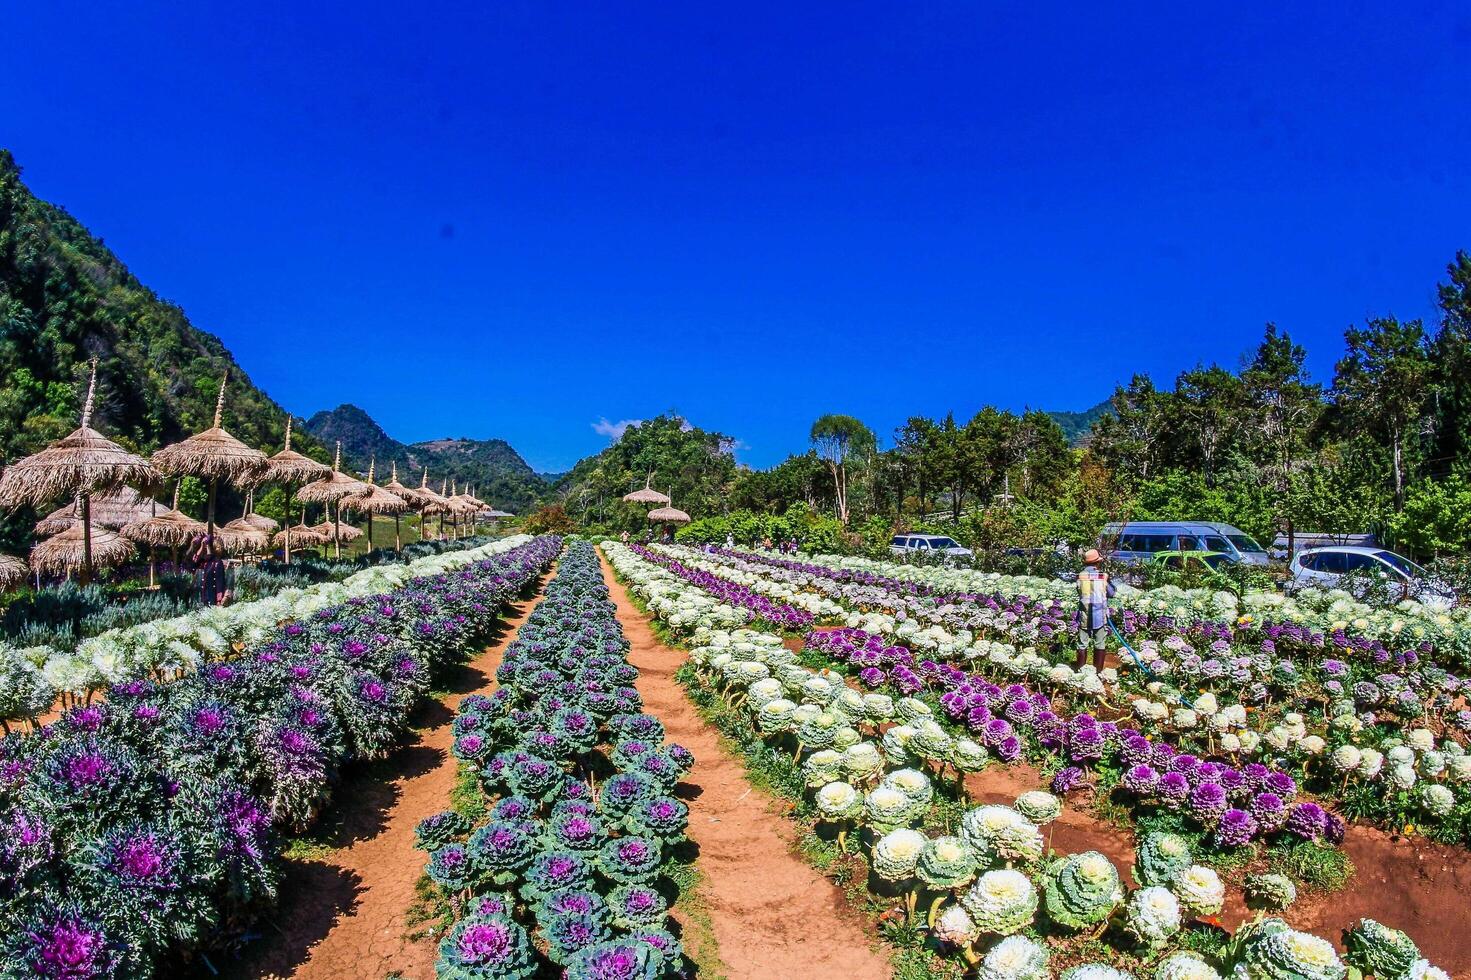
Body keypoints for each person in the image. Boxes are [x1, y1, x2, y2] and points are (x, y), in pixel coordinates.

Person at [1075, 548, 1115, 672]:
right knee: (1100, 643)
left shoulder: (1080, 576)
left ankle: (1081, 671)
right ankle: (1097, 672)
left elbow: (1079, 591)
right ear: (1097, 563)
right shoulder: (1103, 576)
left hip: (1085, 614)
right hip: (1100, 615)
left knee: (1082, 643)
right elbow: (1112, 593)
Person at [197, 537, 235, 607]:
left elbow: (220, 583)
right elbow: (195, 560)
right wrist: (202, 547)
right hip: (201, 597)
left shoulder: (217, 562)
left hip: (211, 598)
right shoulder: (204, 561)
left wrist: (219, 600)